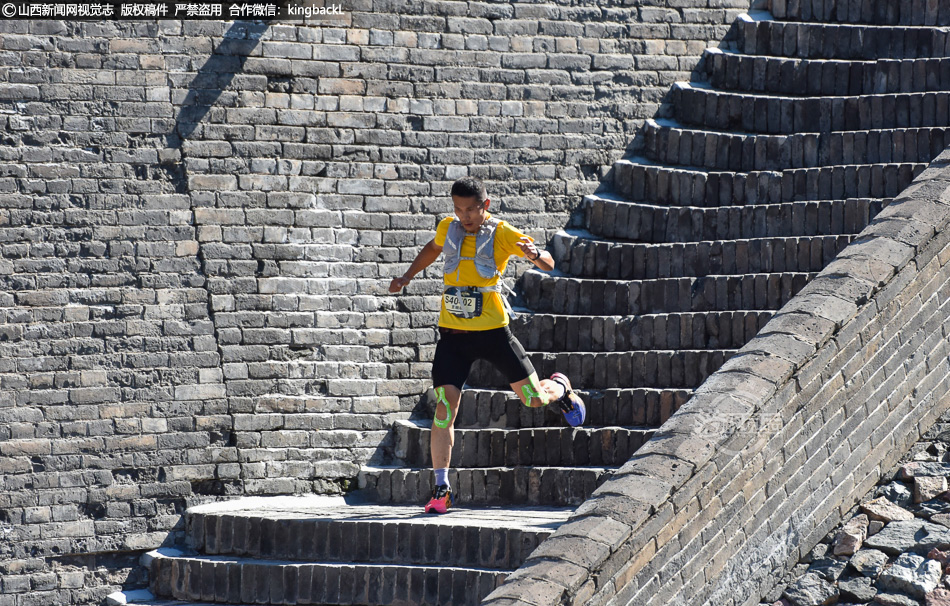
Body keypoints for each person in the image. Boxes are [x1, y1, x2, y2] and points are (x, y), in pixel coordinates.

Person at [388, 176, 585, 514]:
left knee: (533, 399)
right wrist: (407, 276)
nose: (464, 216)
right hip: (453, 336)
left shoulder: (502, 233)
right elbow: (433, 248)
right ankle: (441, 489)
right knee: (444, 411)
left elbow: (549, 263)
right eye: (458, 209)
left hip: (493, 334)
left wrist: (535, 254)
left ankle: (561, 388)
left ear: (485, 205)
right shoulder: (448, 228)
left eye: (470, 210)